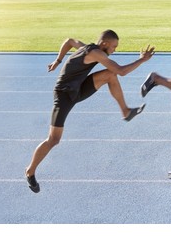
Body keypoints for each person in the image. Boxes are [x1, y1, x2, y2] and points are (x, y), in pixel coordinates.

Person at [25, 30, 155, 193]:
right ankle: (30, 171)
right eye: (114, 46)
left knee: (110, 75)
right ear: (105, 44)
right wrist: (142, 59)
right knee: (53, 139)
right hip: (64, 95)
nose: (115, 50)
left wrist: (58, 61)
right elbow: (122, 71)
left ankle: (125, 111)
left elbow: (70, 41)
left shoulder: (87, 48)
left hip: (78, 88)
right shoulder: (96, 53)